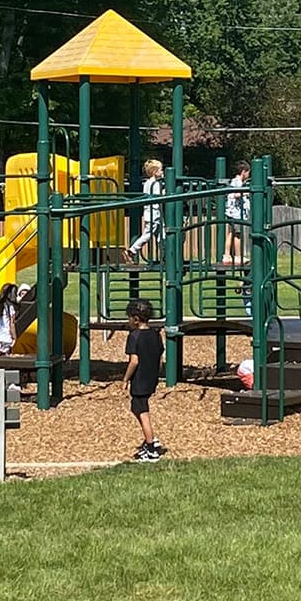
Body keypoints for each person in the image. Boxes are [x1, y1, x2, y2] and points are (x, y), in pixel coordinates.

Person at [122, 298, 167, 462]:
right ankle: (150, 439)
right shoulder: (155, 335)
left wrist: (126, 378)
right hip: (151, 377)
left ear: (135, 319)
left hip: (139, 379)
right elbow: (160, 358)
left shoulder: (134, 336)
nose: (128, 320)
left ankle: (151, 448)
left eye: (129, 317)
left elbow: (134, 361)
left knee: (143, 412)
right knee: (137, 408)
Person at [123, 159, 166, 263]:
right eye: (161, 170)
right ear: (155, 172)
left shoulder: (148, 183)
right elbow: (158, 196)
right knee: (148, 234)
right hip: (153, 213)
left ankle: (165, 256)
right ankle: (132, 250)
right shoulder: (154, 183)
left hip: (155, 213)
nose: (163, 172)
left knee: (163, 235)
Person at [222, 160, 252, 264]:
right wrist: (246, 193)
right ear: (244, 172)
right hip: (236, 213)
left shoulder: (234, 181)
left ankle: (226, 255)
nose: (248, 175)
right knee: (237, 235)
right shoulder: (238, 182)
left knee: (231, 233)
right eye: (248, 172)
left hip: (231, 212)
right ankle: (238, 256)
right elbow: (236, 194)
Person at [0, 284, 20, 355]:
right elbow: (11, 324)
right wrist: (14, 337)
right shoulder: (10, 308)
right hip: (6, 337)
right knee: (6, 356)